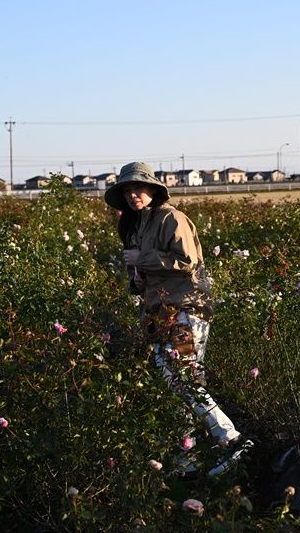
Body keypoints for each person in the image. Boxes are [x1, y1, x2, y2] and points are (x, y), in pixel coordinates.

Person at [105, 162, 253, 477]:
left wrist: (141, 259)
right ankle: (188, 460)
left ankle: (232, 439)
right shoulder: (140, 226)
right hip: (161, 313)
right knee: (172, 381)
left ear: (153, 189)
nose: (133, 195)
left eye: (138, 188)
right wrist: (138, 276)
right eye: (128, 191)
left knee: (183, 376)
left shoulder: (172, 218)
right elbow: (145, 276)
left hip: (187, 309)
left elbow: (186, 262)